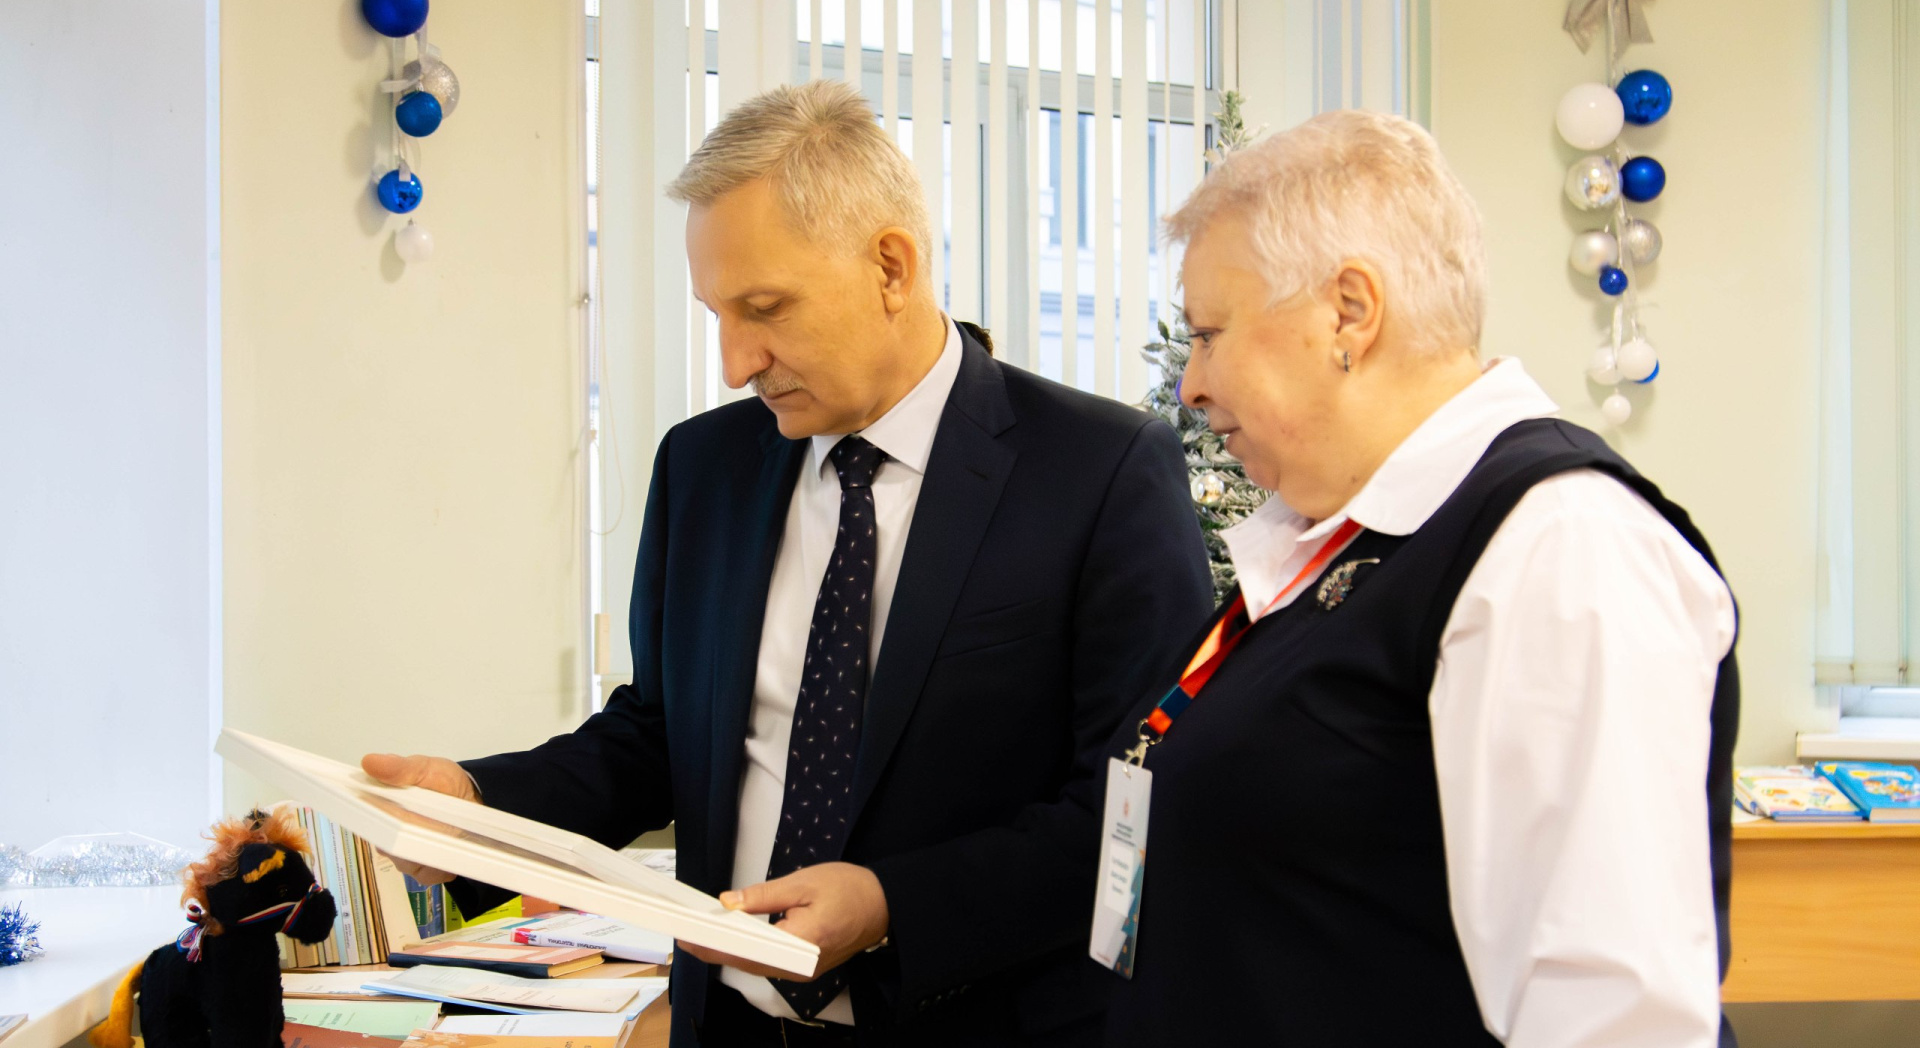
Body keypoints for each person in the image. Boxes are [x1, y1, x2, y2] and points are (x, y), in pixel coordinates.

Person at [364, 79, 1213, 1048]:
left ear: (891, 267)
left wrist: (891, 902)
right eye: (716, 315)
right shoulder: (704, 469)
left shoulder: (1099, 473)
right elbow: (660, 738)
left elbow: (1138, 811)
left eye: (764, 309)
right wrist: (481, 805)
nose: (735, 362)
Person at [1095, 109, 1739, 1047]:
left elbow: (1610, 1014)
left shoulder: (1559, 545)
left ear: (1349, 313)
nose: (1191, 384)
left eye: (1210, 333)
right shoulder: (1341, 540)